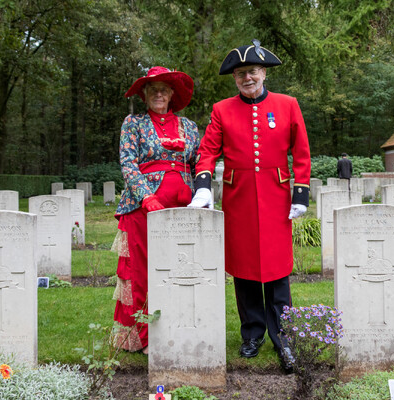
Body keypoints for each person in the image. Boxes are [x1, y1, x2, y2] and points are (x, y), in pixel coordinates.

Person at [188, 39, 311, 373]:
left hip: (276, 196)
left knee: (277, 269)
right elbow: (208, 150)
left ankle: (283, 335)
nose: (247, 78)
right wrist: (203, 187)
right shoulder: (222, 109)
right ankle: (253, 333)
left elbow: (300, 152)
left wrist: (300, 194)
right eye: (241, 73)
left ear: (263, 73)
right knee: (243, 271)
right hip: (238, 198)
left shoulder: (287, 104)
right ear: (235, 78)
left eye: (253, 71)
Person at [112, 66, 199, 353]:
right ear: (145, 94)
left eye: (164, 89)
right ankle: (146, 336)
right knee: (143, 271)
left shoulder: (190, 127)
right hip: (143, 207)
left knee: (182, 269)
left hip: (184, 208)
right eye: (153, 89)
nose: (158, 94)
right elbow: (128, 164)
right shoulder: (133, 124)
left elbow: (200, 164)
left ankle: (182, 327)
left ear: (172, 94)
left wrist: (202, 195)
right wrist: (146, 197)